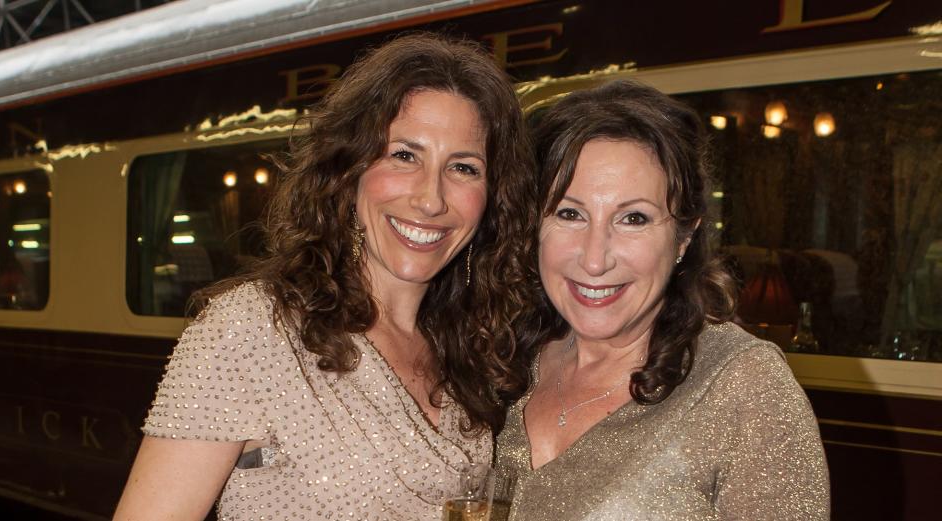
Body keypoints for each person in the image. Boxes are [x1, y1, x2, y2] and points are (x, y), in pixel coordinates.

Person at [114, 33, 540, 521]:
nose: (431, 198)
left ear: (491, 198)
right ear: (350, 169)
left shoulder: (469, 349)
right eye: (404, 155)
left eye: (463, 167)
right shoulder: (252, 329)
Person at [493, 79, 830, 520]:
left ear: (683, 239)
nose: (594, 259)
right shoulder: (503, 360)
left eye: (634, 218)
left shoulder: (742, 383)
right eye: (569, 213)